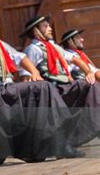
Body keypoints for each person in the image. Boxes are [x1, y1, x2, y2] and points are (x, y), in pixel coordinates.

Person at [0, 1, 82, 163]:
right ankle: (59, 142)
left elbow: (20, 57)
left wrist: (35, 72)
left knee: (41, 90)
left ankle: (38, 147)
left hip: (7, 90)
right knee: (42, 88)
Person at [19, 15, 100, 147]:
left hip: (65, 86)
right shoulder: (32, 50)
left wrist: (88, 73)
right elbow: (26, 77)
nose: (50, 28)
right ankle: (74, 137)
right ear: (36, 31)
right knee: (86, 85)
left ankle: (91, 128)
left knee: (91, 85)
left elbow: (75, 59)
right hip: (52, 89)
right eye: (45, 26)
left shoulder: (51, 46)